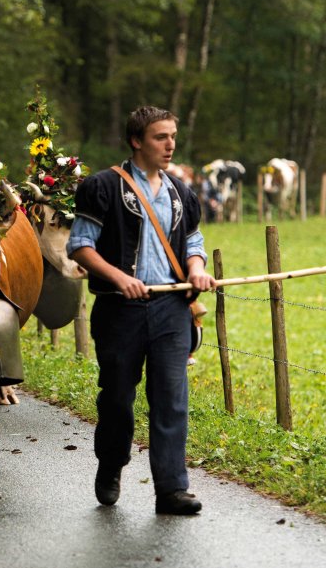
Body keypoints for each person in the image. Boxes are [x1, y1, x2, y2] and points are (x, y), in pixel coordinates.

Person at [67, 105, 216, 515]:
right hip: (120, 310)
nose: (170, 145)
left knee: (171, 398)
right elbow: (80, 245)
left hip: (171, 308)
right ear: (137, 141)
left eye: (172, 136)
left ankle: (172, 489)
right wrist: (119, 278)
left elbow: (193, 243)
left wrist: (197, 270)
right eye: (160, 137)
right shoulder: (101, 187)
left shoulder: (181, 193)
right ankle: (111, 463)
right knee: (117, 398)